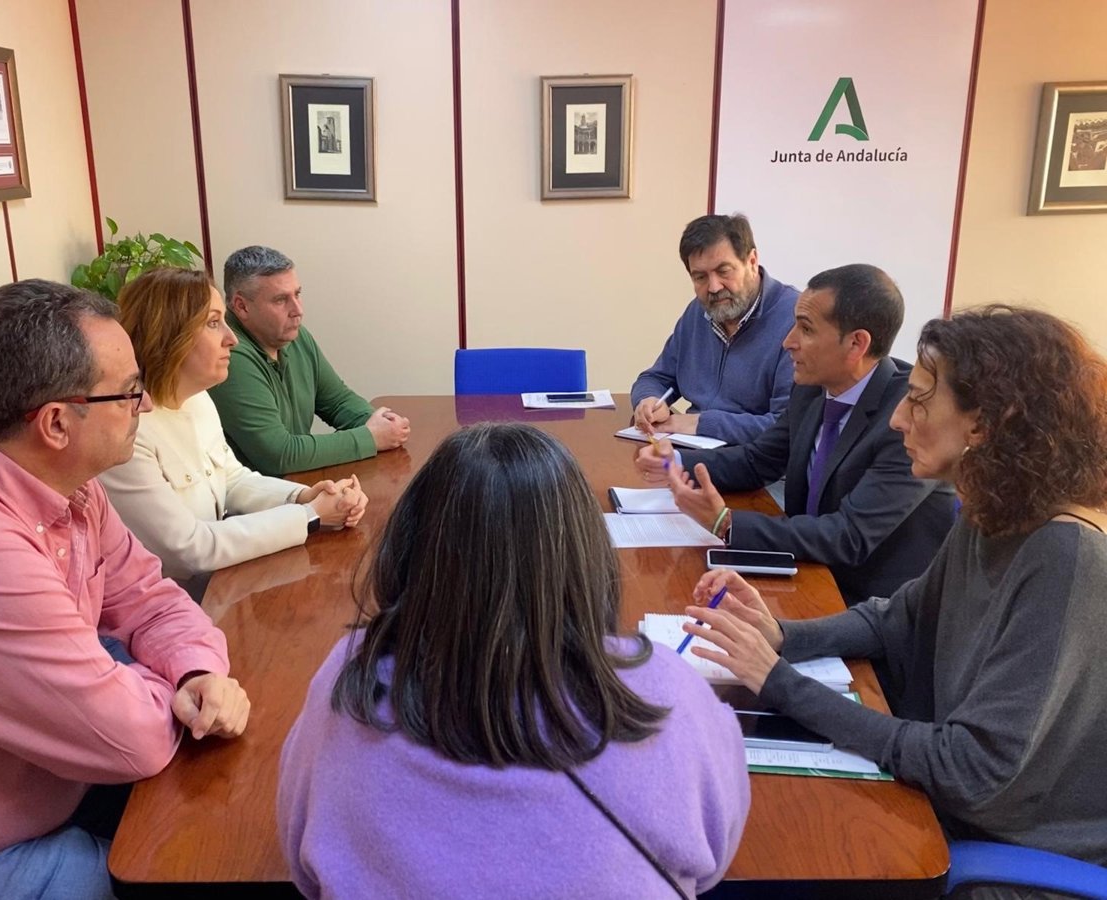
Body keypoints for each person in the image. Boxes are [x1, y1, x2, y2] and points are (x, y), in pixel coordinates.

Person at [681, 306, 1107, 893]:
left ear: (984, 424)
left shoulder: (1066, 556)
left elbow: (970, 770)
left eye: (920, 401)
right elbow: (898, 618)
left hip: (1006, 849)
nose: (899, 418)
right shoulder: (992, 511)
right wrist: (782, 635)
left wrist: (778, 681)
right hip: (946, 799)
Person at [277, 424, 749, 898]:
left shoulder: (351, 680)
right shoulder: (667, 692)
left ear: (412, 545)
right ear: (586, 554)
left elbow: (303, 859)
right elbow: (713, 857)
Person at [0, 280, 250, 899]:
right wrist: (166, 692)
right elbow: (132, 740)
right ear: (57, 423)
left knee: (237, 811)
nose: (147, 406)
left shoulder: (70, 484)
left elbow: (149, 596)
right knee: (192, 869)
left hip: (56, 778)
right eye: (131, 392)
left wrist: (195, 671)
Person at [635, 263, 954, 607]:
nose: (788, 342)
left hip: (872, 604)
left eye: (806, 329)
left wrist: (726, 523)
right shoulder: (811, 389)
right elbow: (758, 461)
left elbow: (848, 536)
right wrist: (675, 460)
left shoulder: (910, 418)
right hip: (804, 570)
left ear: (857, 343)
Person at [99, 267, 369, 583]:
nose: (232, 339)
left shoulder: (197, 400)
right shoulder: (128, 433)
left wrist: (305, 496)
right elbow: (189, 549)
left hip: (221, 586)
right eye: (214, 323)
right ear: (170, 336)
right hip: (173, 601)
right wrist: (309, 515)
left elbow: (233, 480)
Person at [208, 245, 410, 474]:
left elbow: (337, 401)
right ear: (242, 306)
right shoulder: (229, 354)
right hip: (258, 493)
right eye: (280, 300)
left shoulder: (294, 336)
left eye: (297, 294)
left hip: (298, 485)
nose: (297, 310)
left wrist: (381, 421)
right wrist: (370, 437)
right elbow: (279, 454)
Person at [630, 213, 798, 443]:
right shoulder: (698, 312)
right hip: (689, 448)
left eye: (723, 271)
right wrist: (648, 400)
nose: (714, 287)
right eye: (700, 277)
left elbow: (787, 426)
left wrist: (702, 424)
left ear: (751, 261)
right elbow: (655, 377)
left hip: (752, 457)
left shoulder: (795, 321)